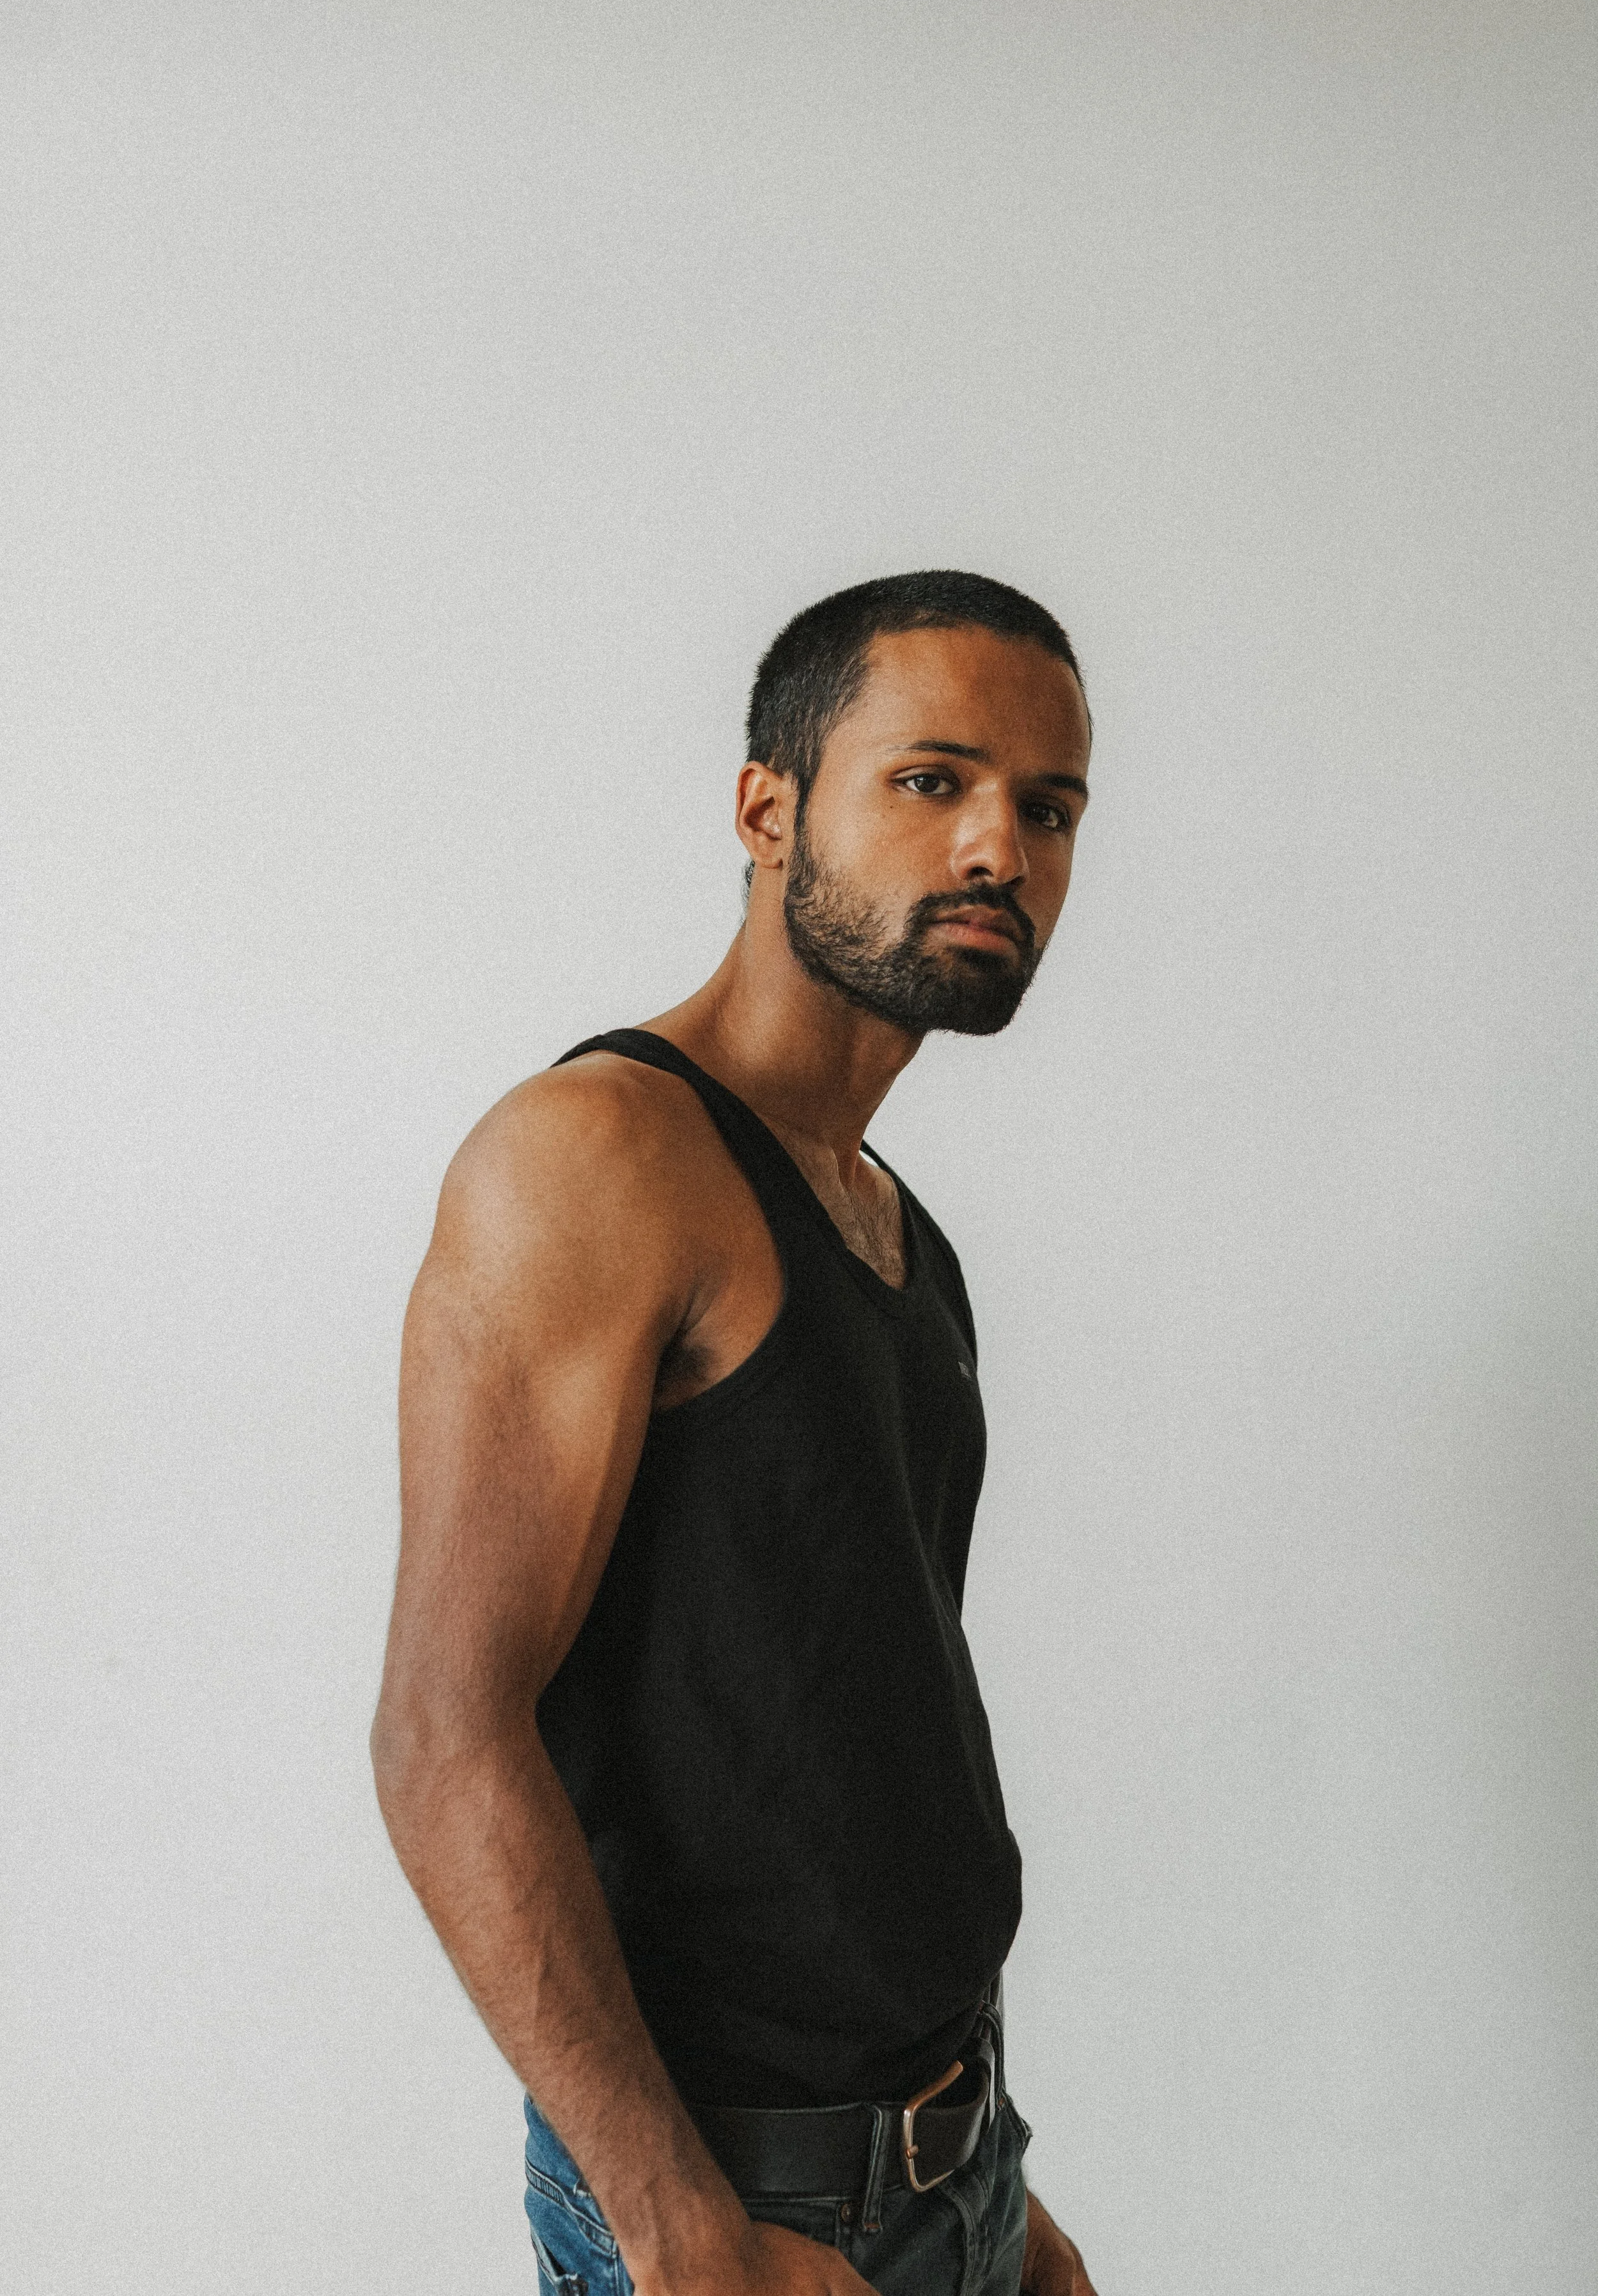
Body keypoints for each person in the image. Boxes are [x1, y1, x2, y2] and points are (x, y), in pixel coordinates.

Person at [372, 571, 1101, 2296]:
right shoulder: (596, 1158)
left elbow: (838, 1739)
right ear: (766, 807)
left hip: (951, 2157)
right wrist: (678, 2227)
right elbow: (444, 1732)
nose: (999, 843)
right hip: (741, 2205)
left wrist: (998, 2188)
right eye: (933, 779)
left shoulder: (899, 1232)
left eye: (1047, 805)